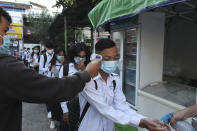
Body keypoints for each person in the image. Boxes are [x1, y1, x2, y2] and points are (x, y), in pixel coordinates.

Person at [0, 7, 100, 131]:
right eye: (4, 31)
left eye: (83, 57)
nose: (4, 38)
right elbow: (50, 87)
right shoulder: (6, 68)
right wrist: (86, 74)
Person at [77, 39, 171, 131]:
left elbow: (122, 107)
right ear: (96, 58)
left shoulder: (115, 80)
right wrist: (141, 122)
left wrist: (145, 120)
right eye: (107, 58)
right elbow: (105, 110)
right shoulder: (88, 81)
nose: (112, 61)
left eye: (115, 57)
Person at [60, 42, 88, 131]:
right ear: (73, 56)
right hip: (69, 106)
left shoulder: (89, 69)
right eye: (78, 57)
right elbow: (61, 90)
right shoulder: (66, 68)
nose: (81, 59)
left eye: (83, 57)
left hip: (84, 107)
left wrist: (84, 70)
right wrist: (65, 110)